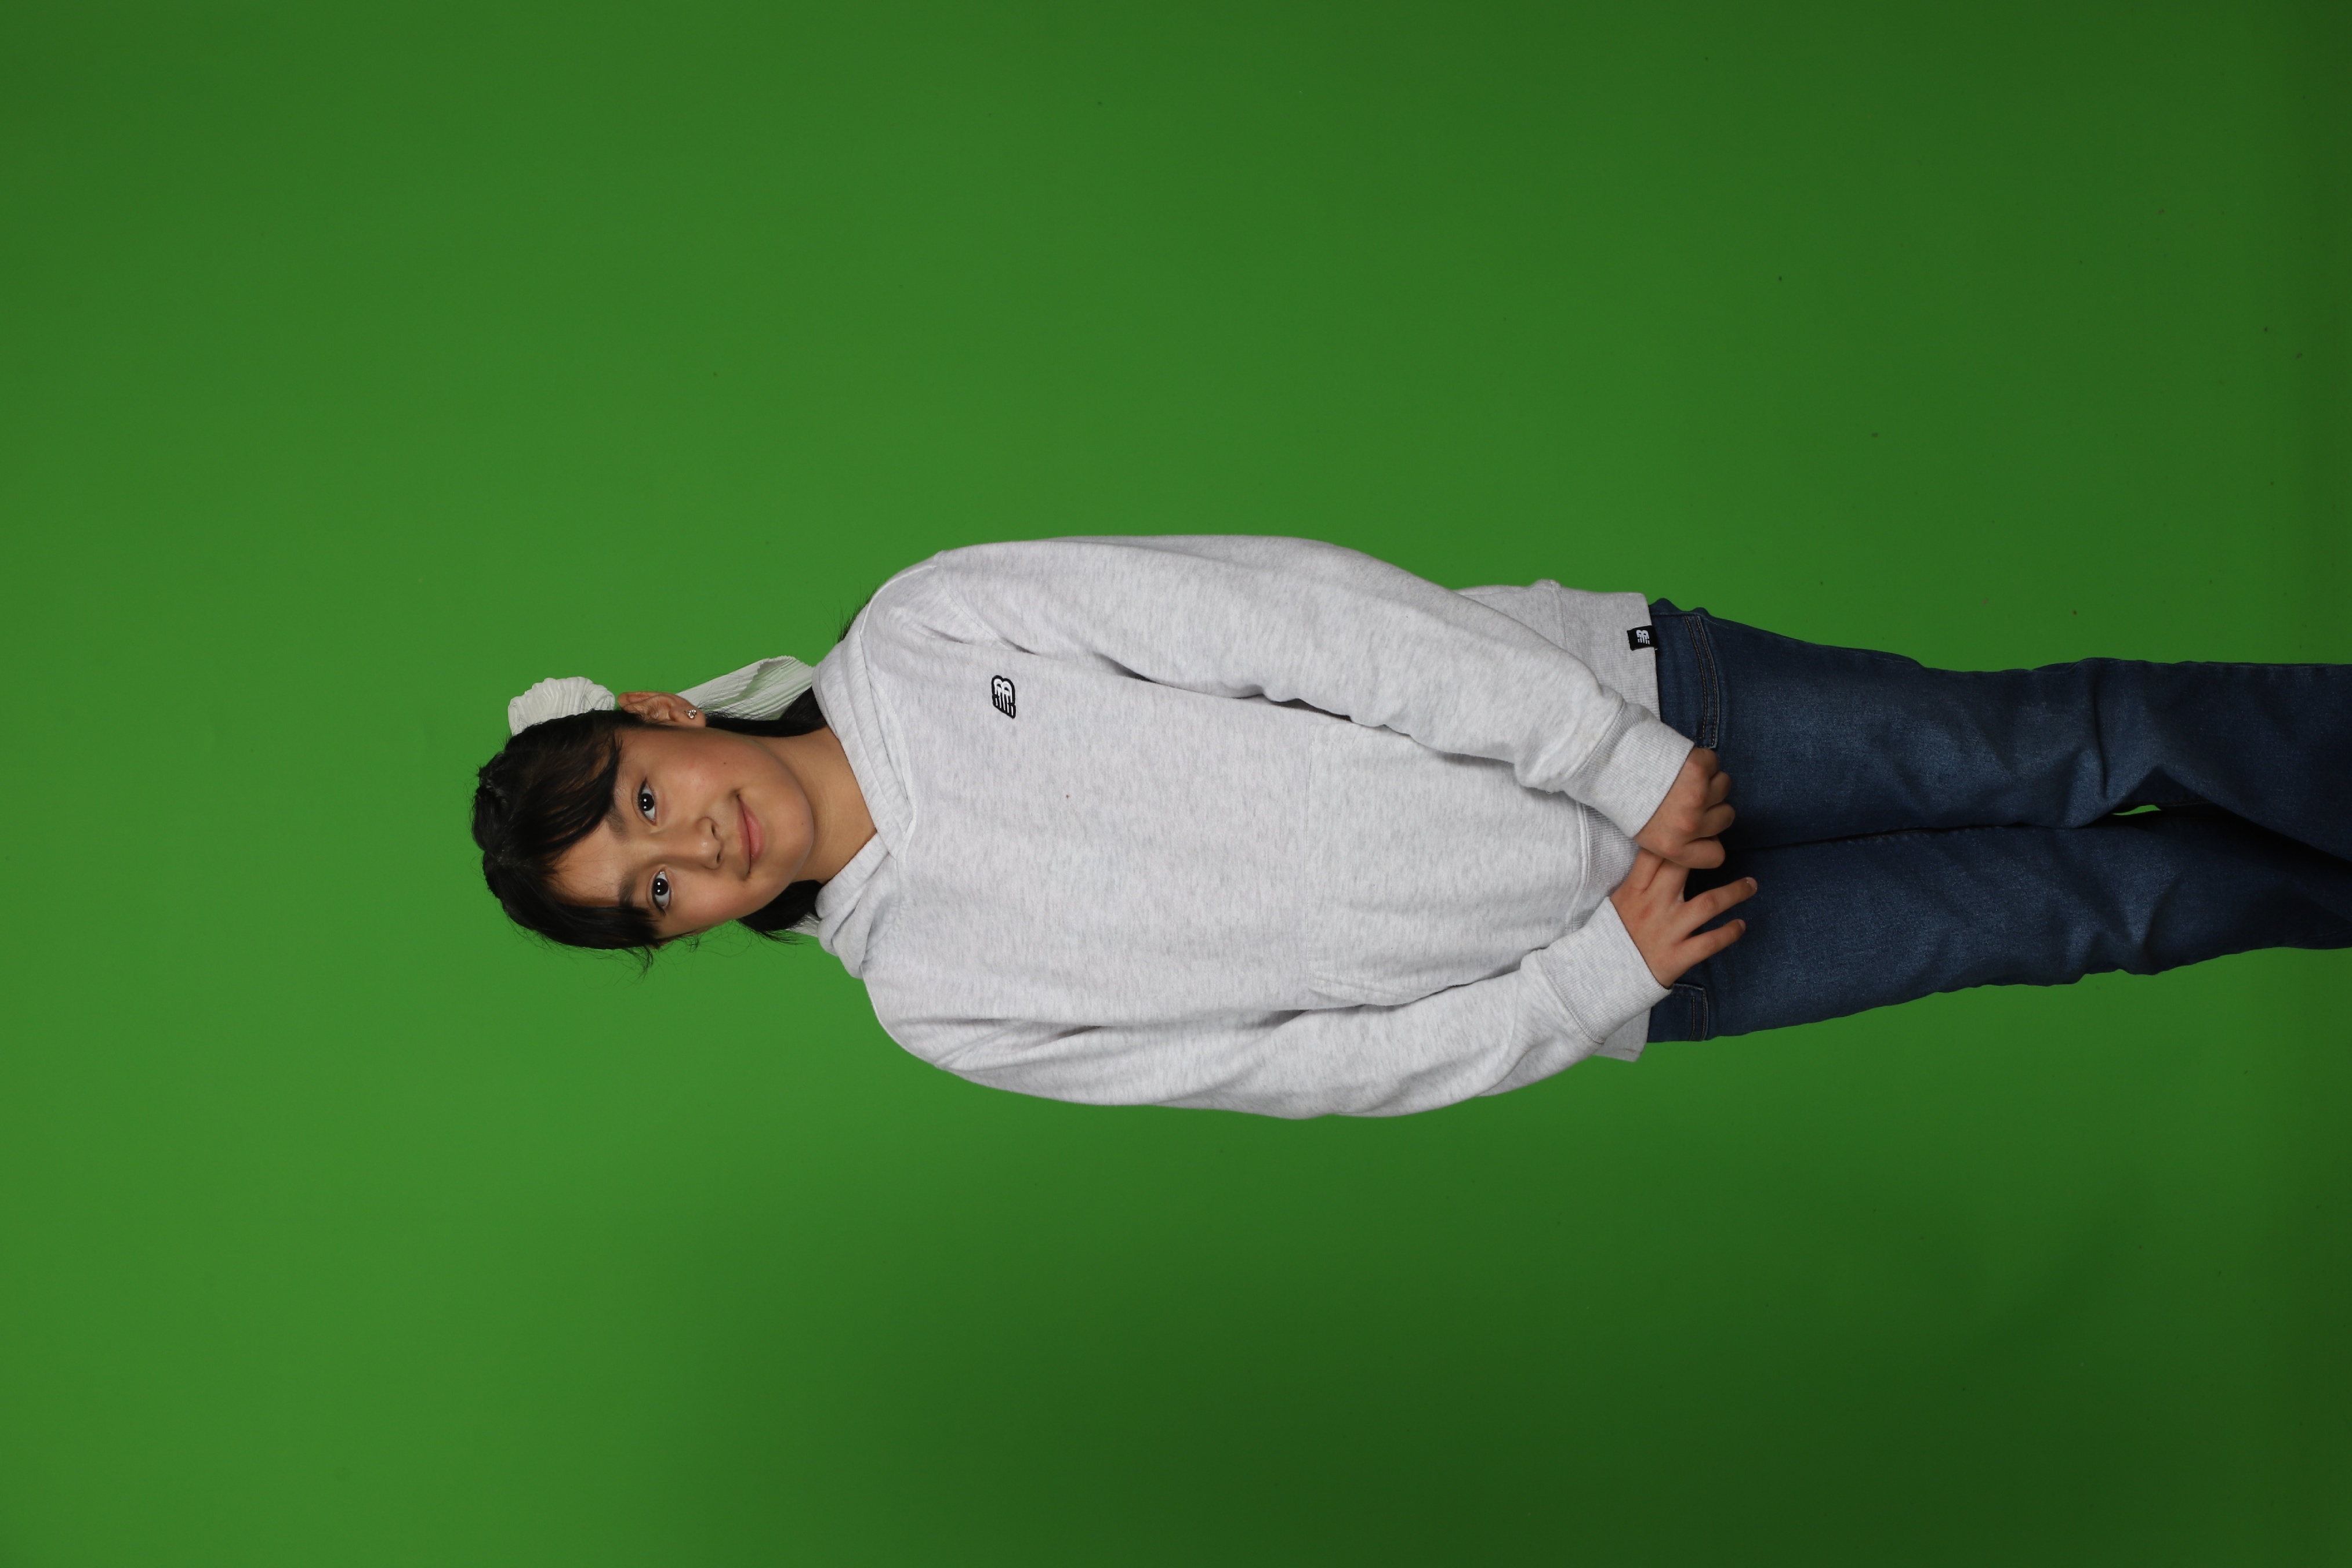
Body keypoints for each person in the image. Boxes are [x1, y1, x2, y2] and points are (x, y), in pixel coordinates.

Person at [471, 535, 2352, 1117]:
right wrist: (1590, 978)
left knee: (2070, 739)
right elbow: (1298, 1069)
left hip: (1646, 716)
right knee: (2083, 915)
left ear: (663, 715)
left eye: (646, 805)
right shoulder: (936, 1006)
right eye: (651, 895)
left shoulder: (934, 628)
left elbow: (1308, 624)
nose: (693, 855)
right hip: (1650, 961)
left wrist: (1615, 762)